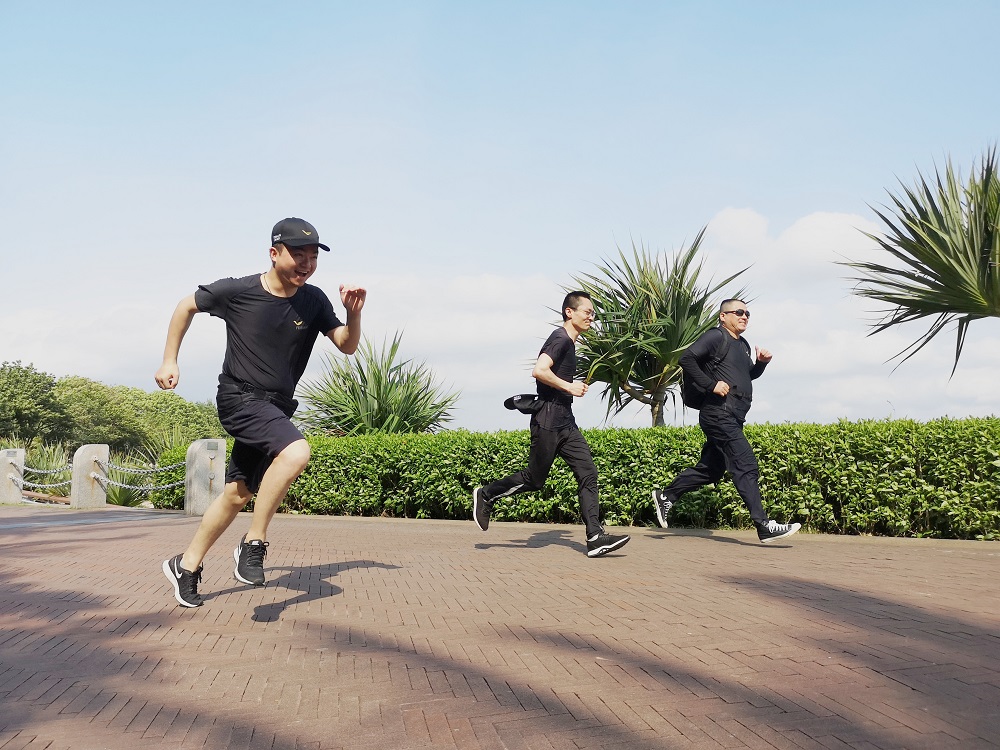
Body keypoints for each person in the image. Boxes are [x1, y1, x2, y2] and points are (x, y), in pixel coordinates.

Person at [156, 217, 366, 607]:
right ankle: (254, 542)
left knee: (237, 494)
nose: (306, 264)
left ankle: (185, 565)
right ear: (273, 253)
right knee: (297, 452)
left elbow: (347, 345)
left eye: (313, 257)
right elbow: (186, 305)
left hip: (275, 407)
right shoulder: (238, 291)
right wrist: (170, 360)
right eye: (298, 255)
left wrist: (353, 313)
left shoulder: (313, 300)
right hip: (240, 397)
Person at [472, 291, 630, 558]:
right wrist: (569, 386)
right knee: (534, 480)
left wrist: (568, 390)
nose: (591, 317)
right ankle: (487, 495)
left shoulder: (570, 343)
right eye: (587, 312)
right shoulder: (560, 338)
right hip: (547, 422)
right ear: (570, 312)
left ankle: (595, 537)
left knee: (588, 473)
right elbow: (539, 370)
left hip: (566, 422)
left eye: (593, 313)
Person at [651, 299, 801, 543]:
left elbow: (746, 375)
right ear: (723, 316)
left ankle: (667, 496)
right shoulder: (715, 336)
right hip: (718, 413)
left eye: (747, 313)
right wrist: (711, 385)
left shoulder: (742, 344)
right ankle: (764, 525)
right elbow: (687, 359)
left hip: (734, 414)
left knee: (711, 470)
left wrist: (761, 364)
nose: (744, 316)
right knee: (746, 464)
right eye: (739, 312)